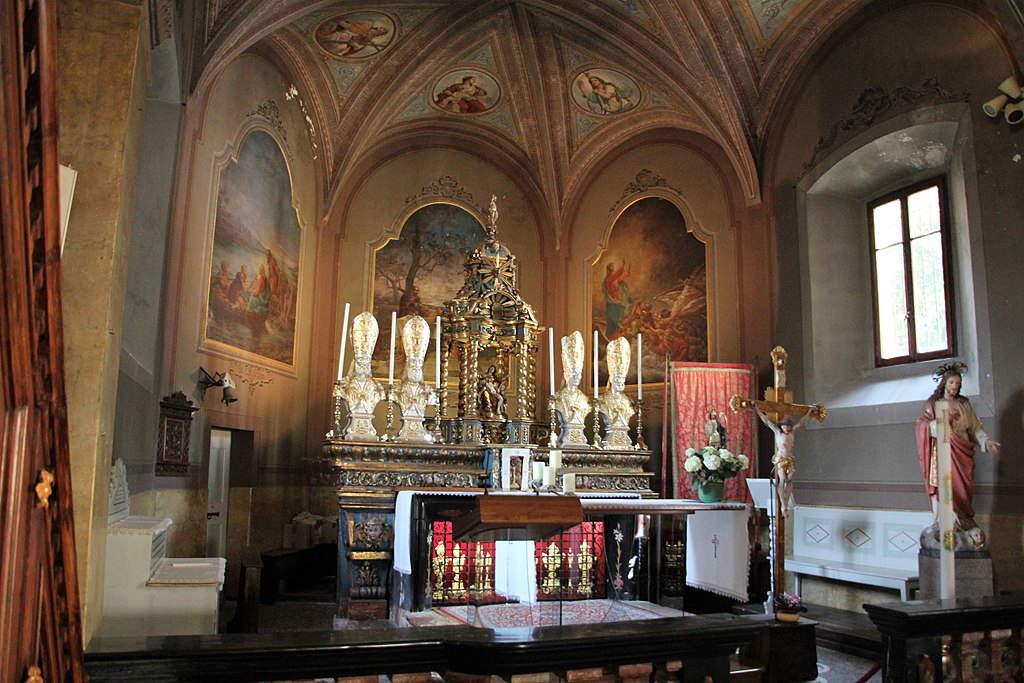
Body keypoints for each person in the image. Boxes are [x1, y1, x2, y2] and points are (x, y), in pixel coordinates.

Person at [915, 362, 1000, 530]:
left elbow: (975, 427)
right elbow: (921, 425)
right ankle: (946, 521)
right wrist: (936, 424)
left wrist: (986, 441)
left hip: (962, 452)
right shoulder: (933, 404)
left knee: (963, 489)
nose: (955, 386)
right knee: (945, 485)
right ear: (945, 383)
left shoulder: (964, 404)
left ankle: (964, 520)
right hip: (943, 452)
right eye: (952, 382)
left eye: (958, 383)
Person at [755, 406, 813, 518]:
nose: (786, 428)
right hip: (781, 459)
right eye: (784, 426)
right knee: (782, 480)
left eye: (788, 426)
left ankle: (786, 502)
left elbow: (801, 422)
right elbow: (767, 421)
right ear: (781, 426)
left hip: (789, 459)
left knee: (789, 480)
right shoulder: (777, 433)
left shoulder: (792, 433)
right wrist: (758, 410)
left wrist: (809, 413)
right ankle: (783, 505)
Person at [602, 261, 631, 338]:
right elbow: (617, 275)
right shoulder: (608, 280)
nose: (613, 269)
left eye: (613, 267)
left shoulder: (614, 280)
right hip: (612, 303)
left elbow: (621, 277)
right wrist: (622, 267)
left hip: (617, 302)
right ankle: (612, 336)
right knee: (613, 320)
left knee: (618, 319)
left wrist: (627, 272)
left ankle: (617, 335)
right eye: (612, 267)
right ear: (609, 269)